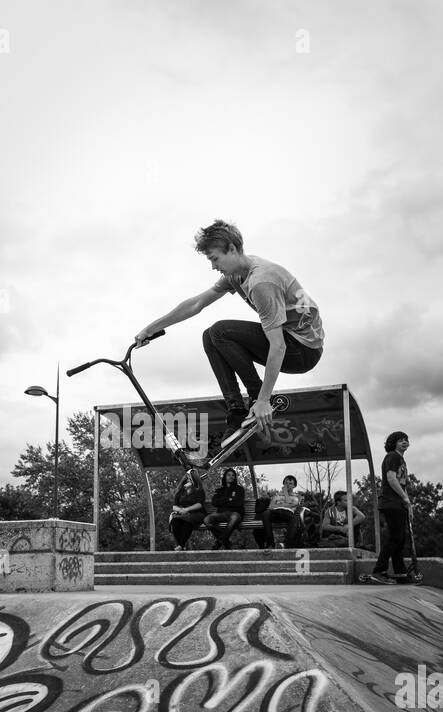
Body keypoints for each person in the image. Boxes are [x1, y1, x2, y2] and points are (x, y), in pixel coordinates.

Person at [134, 219, 324, 436]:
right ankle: (236, 410)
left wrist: (263, 399)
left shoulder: (261, 282)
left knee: (221, 332)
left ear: (232, 249)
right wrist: (150, 328)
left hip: (303, 350)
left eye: (215, 259)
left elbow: (278, 346)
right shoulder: (236, 273)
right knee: (210, 337)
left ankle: (257, 398)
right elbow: (197, 304)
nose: (214, 266)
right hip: (293, 342)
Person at [368, 432, 412, 583]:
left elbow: (402, 483)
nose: (404, 442)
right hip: (390, 502)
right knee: (395, 537)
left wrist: (408, 504)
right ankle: (379, 571)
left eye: (406, 440)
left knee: (400, 538)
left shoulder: (401, 459)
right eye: (400, 440)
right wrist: (404, 498)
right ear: (393, 443)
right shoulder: (392, 457)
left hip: (399, 503)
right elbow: (391, 479)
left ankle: (400, 573)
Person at [204, 467, 245, 549]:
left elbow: (239, 503)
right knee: (207, 520)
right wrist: (228, 499)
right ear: (225, 477)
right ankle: (225, 541)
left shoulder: (239, 489)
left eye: (233, 475)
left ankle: (219, 542)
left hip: (235, 513)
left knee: (234, 518)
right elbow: (214, 502)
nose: (231, 476)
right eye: (229, 475)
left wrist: (222, 503)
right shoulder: (219, 490)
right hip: (221, 514)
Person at [261, 475, 306, 549]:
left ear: (294, 486)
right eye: (286, 483)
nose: (287, 485)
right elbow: (271, 507)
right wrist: (288, 504)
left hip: (288, 515)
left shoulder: (298, 496)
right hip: (275, 513)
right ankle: (271, 544)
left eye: (290, 483)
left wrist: (281, 503)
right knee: (265, 514)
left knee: (295, 519)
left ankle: (286, 545)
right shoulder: (277, 495)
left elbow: (295, 507)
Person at [168, 471, 206, 550]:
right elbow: (174, 506)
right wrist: (180, 510)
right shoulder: (180, 491)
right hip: (183, 514)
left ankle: (181, 546)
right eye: (187, 478)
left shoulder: (199, 490)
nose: (188, 480)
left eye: (190, 479)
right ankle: (181, 546)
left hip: (197, 513)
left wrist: (187, 509)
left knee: (188, 520)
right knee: (174, 521)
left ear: (195, 480)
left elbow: (199, 504)